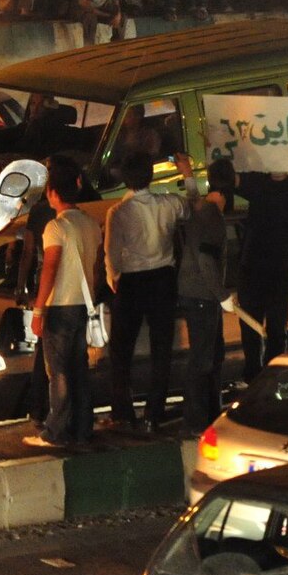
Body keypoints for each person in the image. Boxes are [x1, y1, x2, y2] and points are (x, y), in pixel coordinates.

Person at [103, 151, 186, 431]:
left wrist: (113, 278)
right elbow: (193, 205)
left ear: (125, 180)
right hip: (163, 278)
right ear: (151, 176)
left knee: (120, 350)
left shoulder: (118, 212)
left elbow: (111, 253)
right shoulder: (168, 203)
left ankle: (123, 411)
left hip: (132, 281)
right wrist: (188, 176)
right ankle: (154, 412)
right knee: (161, 348)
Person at [25, 158, 101, 449]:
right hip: (82, 305)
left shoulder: (56, 227)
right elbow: (94, 268)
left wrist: (38, 309)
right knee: (78, 368)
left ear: (53, 193)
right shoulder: (90, 224)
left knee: (57, 371)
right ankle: (82, 428)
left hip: (59, 307)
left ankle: (55, 430)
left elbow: (50, 268)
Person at [237, 145, 288, 376]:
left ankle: (273, 375)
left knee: (277, 327)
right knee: (250, 325)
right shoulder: (258, 183)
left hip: (281, 270)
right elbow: (232, 180)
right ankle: (253, 375)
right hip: (253, 268)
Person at [177, 159, 235, 432]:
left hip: (192, 293)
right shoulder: (214, 218)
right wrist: (222, 295)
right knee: (203, 361)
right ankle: (198, 422)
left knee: (210, 356)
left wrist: (188, 175)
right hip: (203, 296)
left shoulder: (198, 209)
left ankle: (210, 415)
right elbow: (206, 260)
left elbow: (192, 197)